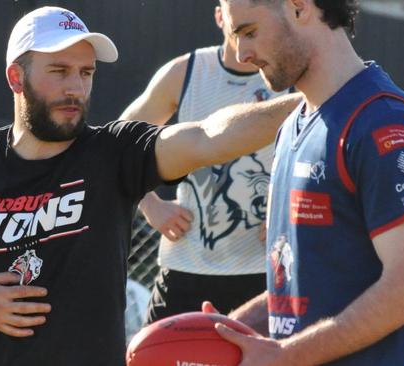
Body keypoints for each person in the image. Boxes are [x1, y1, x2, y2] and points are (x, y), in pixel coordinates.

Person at [0, 6, 300, 366]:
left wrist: (316, 97)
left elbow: (209, 137)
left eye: (85, 72)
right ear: (15, 77)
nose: (75, 88)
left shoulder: (112, 154)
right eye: (59, 72)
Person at [210, 0, 404, 365]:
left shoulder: (382, 123)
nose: (240, 53)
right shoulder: (292, 128)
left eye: (248, 32)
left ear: (299, 8)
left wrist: (286, 356)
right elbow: (308, 285)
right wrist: (231, 329)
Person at [120, 0, 289, 322]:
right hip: (187, 265)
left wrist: (291, 209)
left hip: (265, 268)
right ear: (219, 16)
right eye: (238, 25)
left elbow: (328, 157)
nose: (245, 41)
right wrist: (149, 204)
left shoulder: (290, 74)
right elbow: (120, 143)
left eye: (254, 26)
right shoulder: (185, 73)